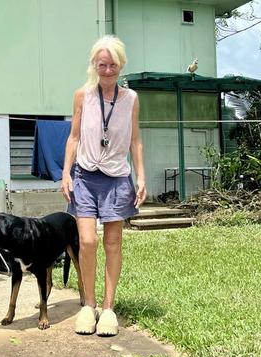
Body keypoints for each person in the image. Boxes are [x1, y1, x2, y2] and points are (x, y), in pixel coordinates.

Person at [61, 35, 146, 336]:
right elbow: (73, 137)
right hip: (84, 176)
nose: (107, 70)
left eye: (112, 65)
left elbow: (135, 140)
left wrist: (141, 176)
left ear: (121, 65)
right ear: (94, 66)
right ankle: (89, 305)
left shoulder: (131, 99)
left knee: (113, 244)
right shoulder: (82, 95)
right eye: (102, 65)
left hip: (116, 178)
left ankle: (108, 308)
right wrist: (66, 173)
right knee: (86, 242)